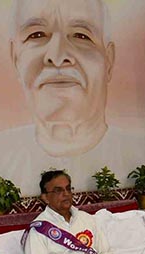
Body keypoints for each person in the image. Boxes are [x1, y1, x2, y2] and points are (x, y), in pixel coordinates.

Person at [9, 0, 115, 157]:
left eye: (81, 36)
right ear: (15, 58)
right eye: (36, 35)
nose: (58, 57)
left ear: (109, 62)